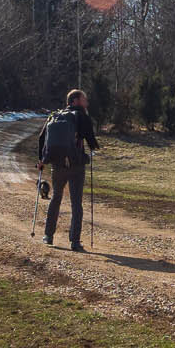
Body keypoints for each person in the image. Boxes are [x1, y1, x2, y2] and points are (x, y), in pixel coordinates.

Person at [38, 88, 99, 250]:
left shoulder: (54, 116)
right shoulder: (82, 116)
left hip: (57, 164)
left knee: (55, 198)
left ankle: (48, 236)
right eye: (84, 99)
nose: (86, 102)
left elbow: (41, 138)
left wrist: (41, 160)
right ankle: (75, 242)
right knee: (76, 203)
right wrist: (93, 149)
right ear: (75, 101)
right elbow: (92, 141)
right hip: (76, 165)